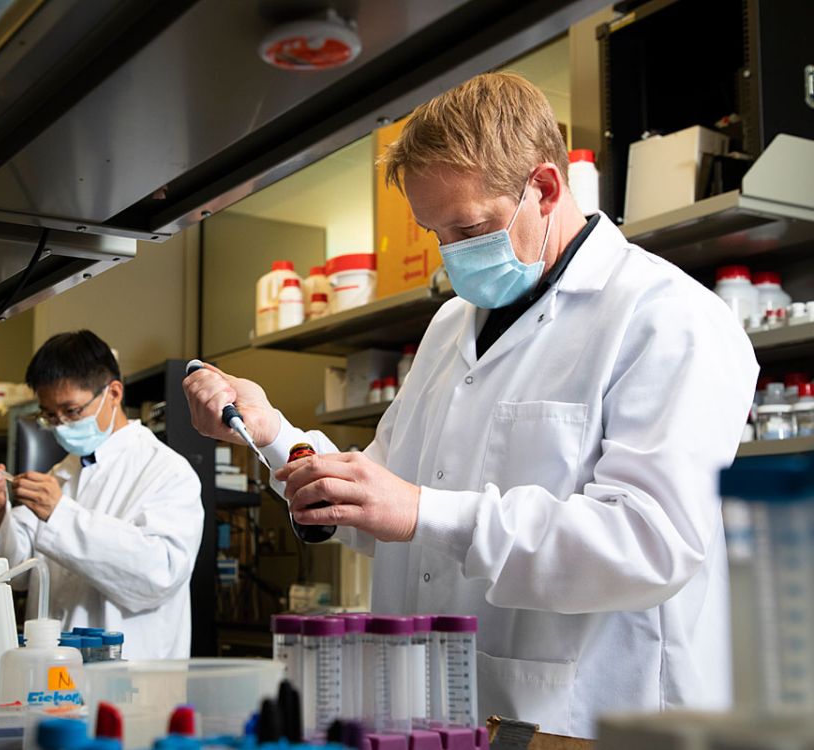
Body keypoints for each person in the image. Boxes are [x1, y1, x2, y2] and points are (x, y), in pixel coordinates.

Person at [184, 73, 758, 736]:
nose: (455, 254)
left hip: (588, 720)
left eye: (471, 227)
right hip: (440, 713)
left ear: (545, 188)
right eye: (437, 232)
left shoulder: (669, 319)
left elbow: (650, 545)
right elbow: (377, 501)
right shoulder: (450, 326)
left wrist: (423, 512)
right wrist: (271, 433)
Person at [0, 330, 203, 659]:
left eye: (71, 411)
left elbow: (159, 575)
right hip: (54, 669)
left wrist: (60, 516)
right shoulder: (61, 473)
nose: (61, 425)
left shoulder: (166, 471)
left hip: (133, 673)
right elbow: (16, 571)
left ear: (113, 393)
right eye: (49, 415)